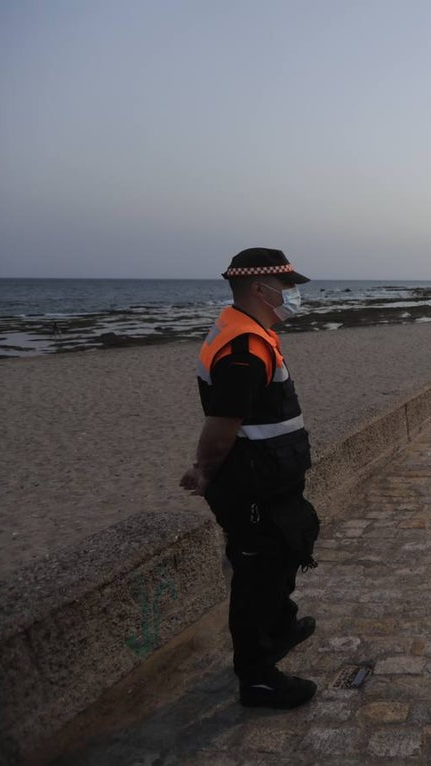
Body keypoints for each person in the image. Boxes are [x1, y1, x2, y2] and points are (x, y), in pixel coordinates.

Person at [179, 247, 320, 709]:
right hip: (253, 485)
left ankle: (281, 625)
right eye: (289, 286)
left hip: (273, 480)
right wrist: (204, 471)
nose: (294, 295)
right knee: (256, 578)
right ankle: (257, 678)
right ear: (261, 289)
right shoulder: (244, 347)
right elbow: (222, 426)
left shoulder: (250, 332)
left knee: (285, 553)